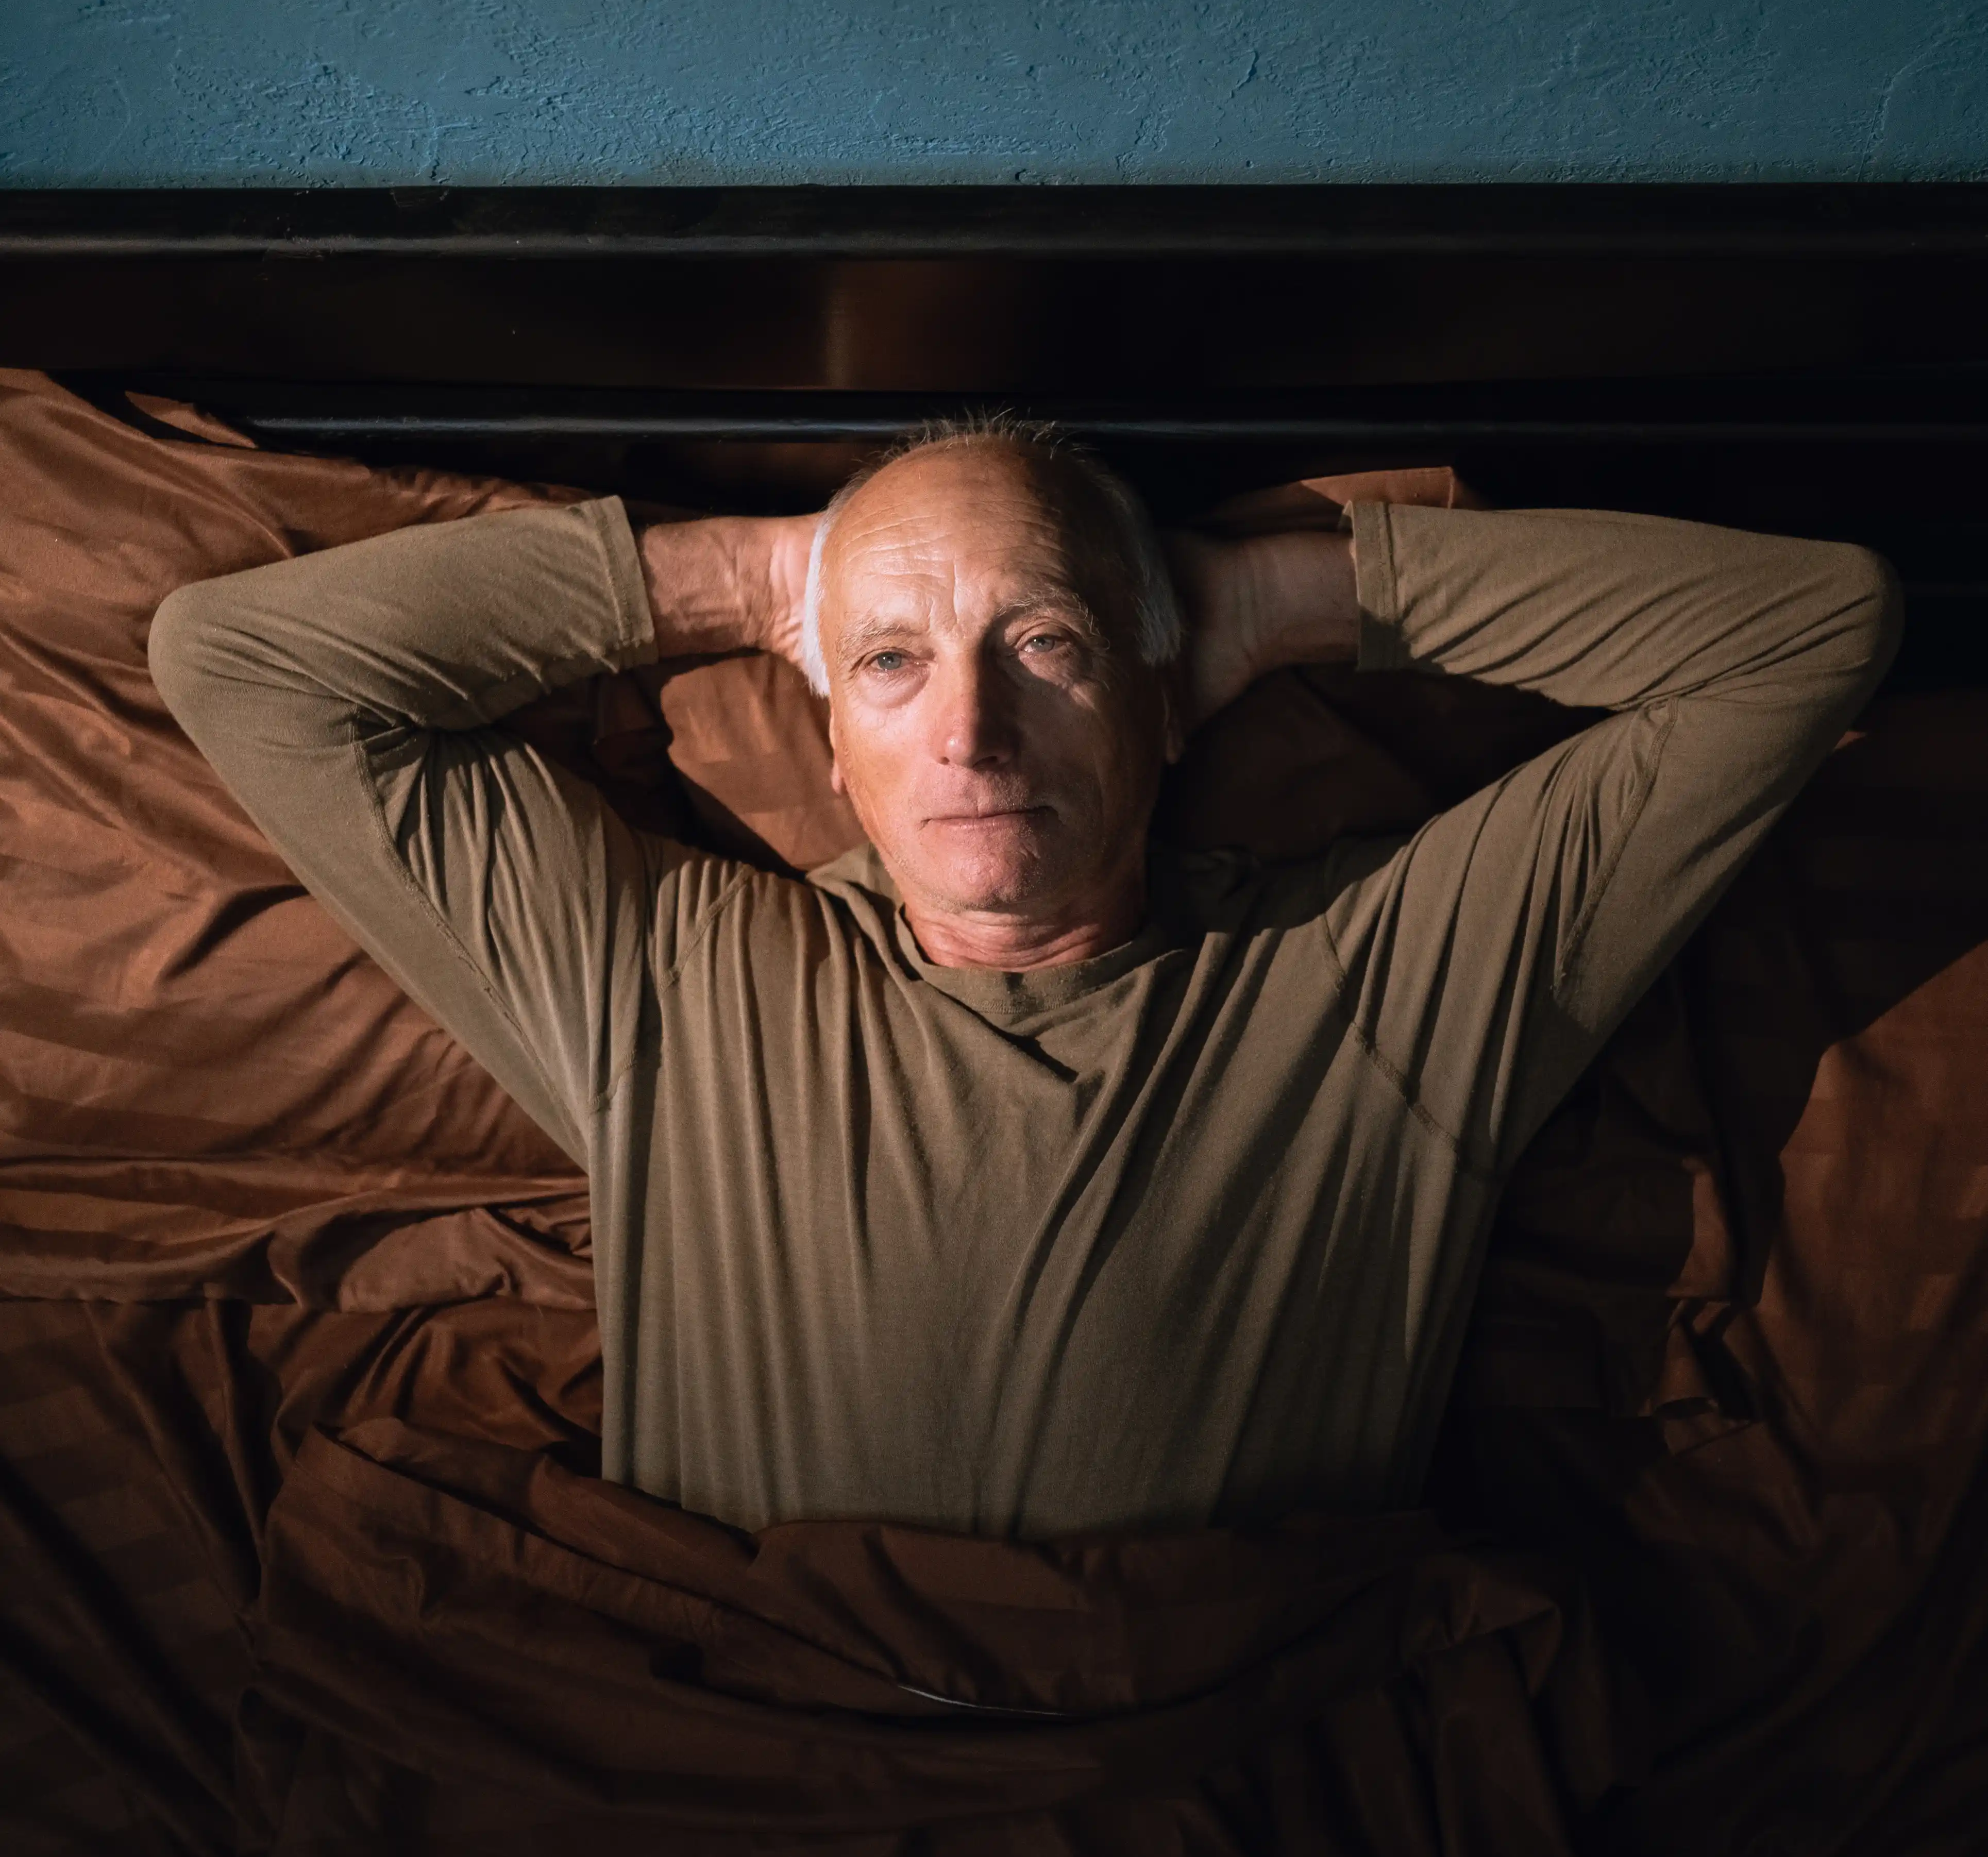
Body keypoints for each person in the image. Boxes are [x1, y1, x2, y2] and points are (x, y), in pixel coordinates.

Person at [148, 420, 1899, 1538]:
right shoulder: (663, 981)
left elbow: (1810, 629)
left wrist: (1278, 602)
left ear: (1164, 698)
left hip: (1196, 1791)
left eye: (1046, 643)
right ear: (830, 747)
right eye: (893, 666)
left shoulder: (1377, 979)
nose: (971, 731)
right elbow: (243, 668)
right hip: (753, 1786)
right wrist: (764, 579)